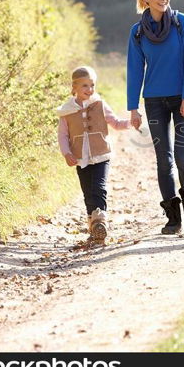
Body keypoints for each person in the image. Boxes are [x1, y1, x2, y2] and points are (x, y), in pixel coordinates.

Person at [127, 0, 184, 234]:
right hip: (154, 101)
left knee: (182, 157)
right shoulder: (138, 32)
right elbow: (135, 70)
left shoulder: (182, 23)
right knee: (164, 160)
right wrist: (133, 107)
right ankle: (173, 218)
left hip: (183, 98)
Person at [57, 66, 131, 245]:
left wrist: (131, 123)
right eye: (84, 86)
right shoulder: (66, 111)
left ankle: (101, 221)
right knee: (88, 193)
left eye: (92, 85)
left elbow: (115, 122)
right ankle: (93, 226)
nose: (89, 90)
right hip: (80, 158)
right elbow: (63, 135)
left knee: (99, 187)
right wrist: (66, 153)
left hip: (101, 155)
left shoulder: (100, 104)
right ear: (74, 87)